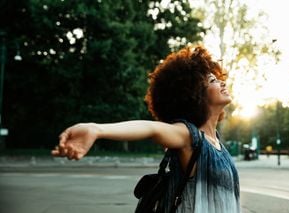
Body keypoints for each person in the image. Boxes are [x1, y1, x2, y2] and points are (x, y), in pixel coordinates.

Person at [51, 45, 240, 213]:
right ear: (195, 93)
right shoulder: (189, 136)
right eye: (212, 80)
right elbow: (151, 128)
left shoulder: (217, 142)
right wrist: (96, 129)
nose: (222, 82)